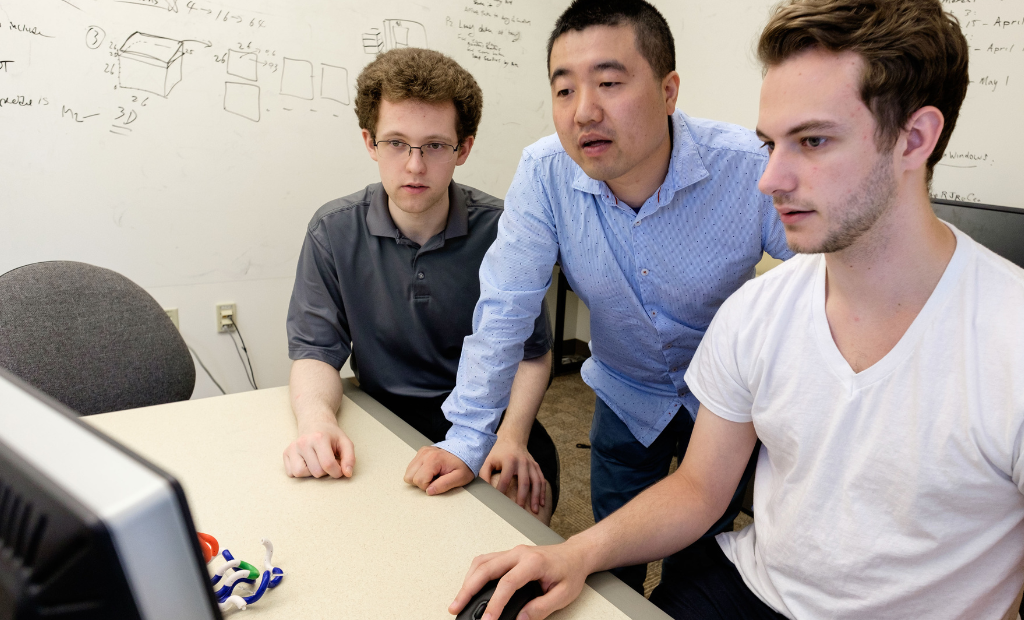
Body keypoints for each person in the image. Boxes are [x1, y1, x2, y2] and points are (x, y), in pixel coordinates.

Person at [449, 0, 1024, 619]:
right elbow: (697, 488)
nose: (768, 179)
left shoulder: (1002, 341)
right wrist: (570, 549)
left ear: (914, 139)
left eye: (812, 140)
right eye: (770, 144)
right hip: (706, 510)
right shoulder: (755, 312)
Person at [403, 0, 792, 592]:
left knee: (702, 563)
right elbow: (504, 308)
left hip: (730, 408)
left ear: (668, 90)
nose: (584, 111)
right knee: (610, 562)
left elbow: (827, 281)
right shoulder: (543, 173)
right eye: (564, 91)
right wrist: (466, 439)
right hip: (625, 390)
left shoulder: (745, 168)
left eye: (609, 82)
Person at [283, 47, 560, 523]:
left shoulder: (504, 230)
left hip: (494, 422)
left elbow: (532, 354)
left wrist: (511, 437)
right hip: (380, 421)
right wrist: (317, 421)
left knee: (508, 547)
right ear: (370, 142)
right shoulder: (332, 231)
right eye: (396, 143)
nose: (414, 166)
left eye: (434, 146)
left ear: (464, 148)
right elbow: (315, 352)